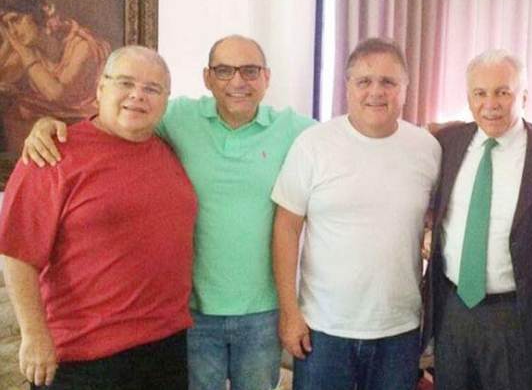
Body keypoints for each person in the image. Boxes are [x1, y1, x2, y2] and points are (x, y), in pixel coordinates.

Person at [21, 34, 315, 390]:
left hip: (249, 317)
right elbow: (117, 119)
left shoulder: (296, 131)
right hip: (191, 316)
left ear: (266, 77)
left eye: (250, 71)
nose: (238, 81)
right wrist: (47, 124)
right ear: (207, 77)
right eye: (224, 70)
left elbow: (343, 142)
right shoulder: (176, 118)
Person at [0, 45, 197, 389]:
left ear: (166, 100)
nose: (137, 95)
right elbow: (17, 253)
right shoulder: (52, 154)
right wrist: (33, 335)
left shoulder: (172, 148)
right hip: (82, 359)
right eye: (125, 82)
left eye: (152, 88)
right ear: (100, 87)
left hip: (166, 349)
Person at [272, 37, 441, 390]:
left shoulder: (427, 149)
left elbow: (437, 218)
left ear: (405, 89)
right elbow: (286, 227)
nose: (376, 92)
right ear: (348, 87)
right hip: (323, 329)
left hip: (399, 330)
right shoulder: (313, 145)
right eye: (364, 81)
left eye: (388, 82)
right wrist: (289, 312)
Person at [423, 50, 532, 390]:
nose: (490, 104)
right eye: (480, 93)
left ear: (524, 97)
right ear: (468, 98)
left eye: (502, 92)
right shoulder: (448, 143)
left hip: (516, 316)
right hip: (453, 309)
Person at [0, 0, 110, 155]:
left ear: (36, 13)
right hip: (47, 127)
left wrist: (20, 49)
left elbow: (56, 93)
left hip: (84, 128)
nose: (13, 31)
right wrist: (9, 42)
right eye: (7, 26)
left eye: (16, 20)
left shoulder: (82, 46)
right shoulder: (30, 48)